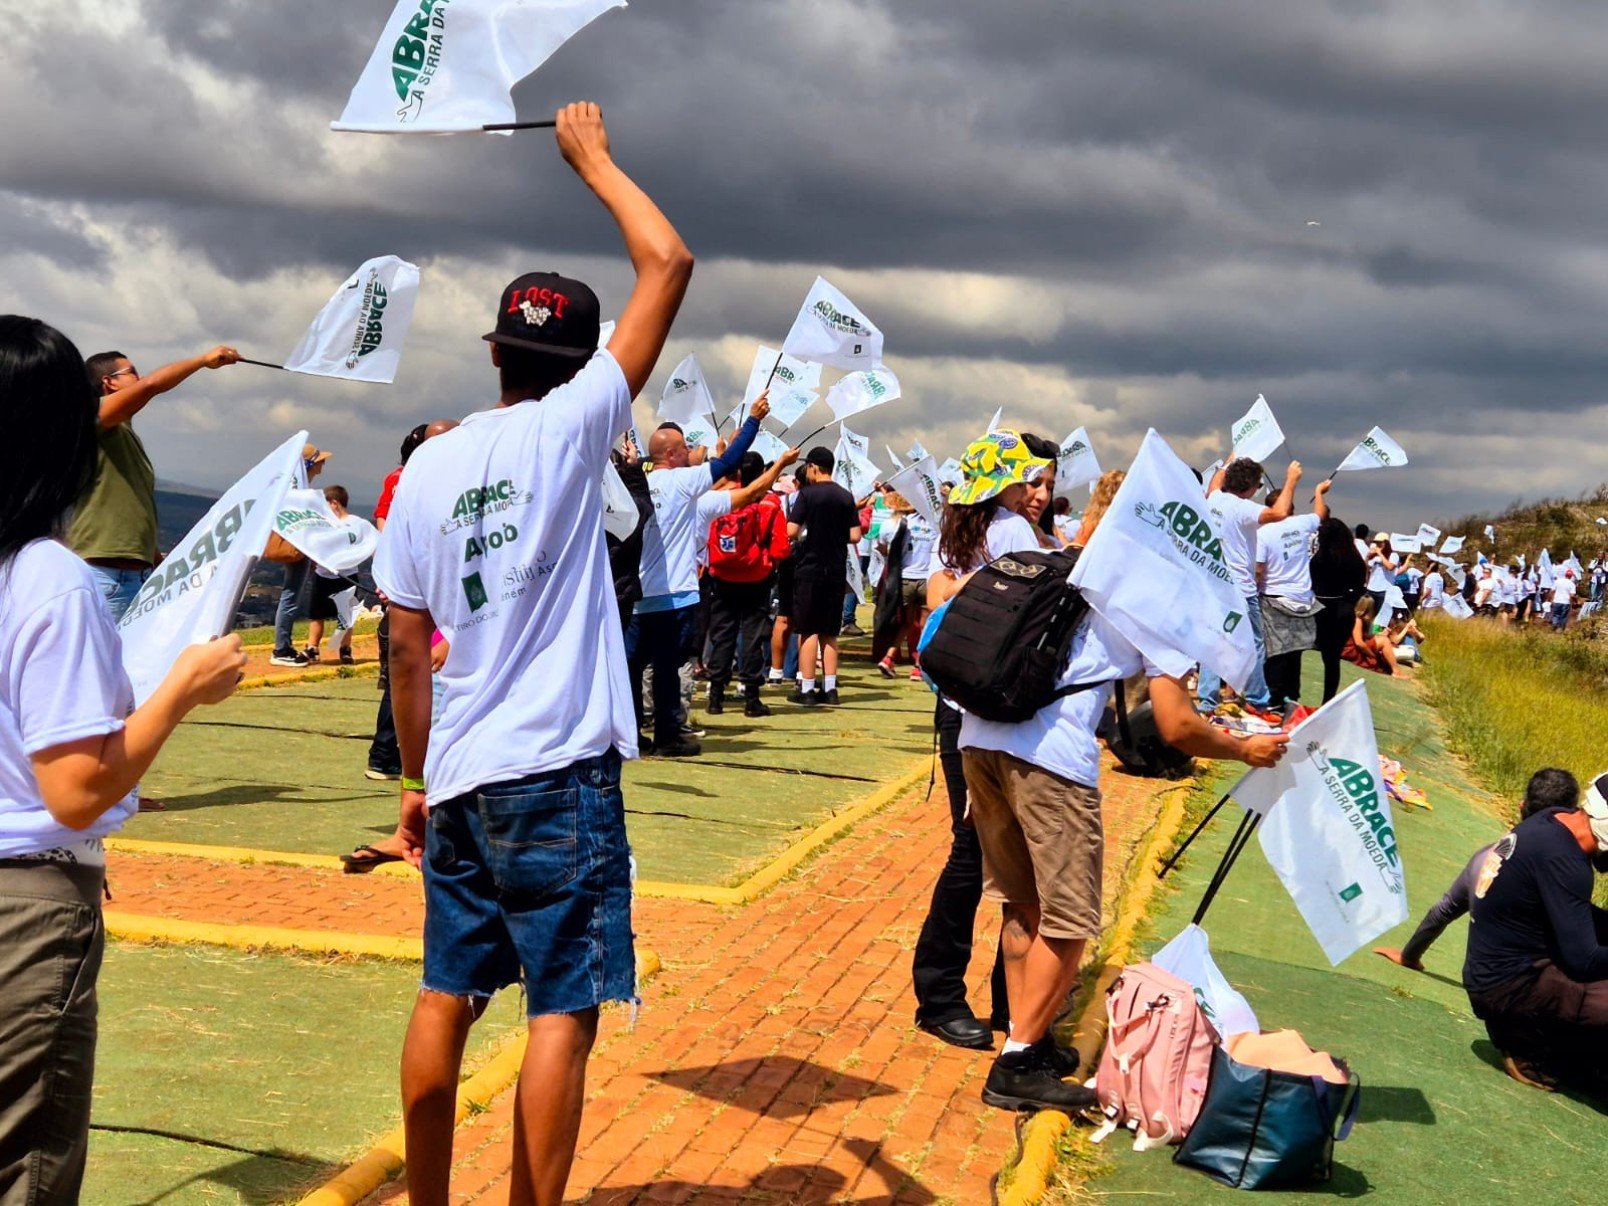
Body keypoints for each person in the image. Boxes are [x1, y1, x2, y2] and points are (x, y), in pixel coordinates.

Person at [371, 102, 693, 1205]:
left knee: (444, 992)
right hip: (555, 768)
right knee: (564, 1006)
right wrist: (595, 158)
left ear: (497, 350)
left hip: (459, 767)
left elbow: (407, 648)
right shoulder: (571, 426)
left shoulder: (429, 467)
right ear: (576, 364)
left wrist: (415, 780)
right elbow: (669, 259)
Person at [958, 452, 1290, 1110]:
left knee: (1022, 905)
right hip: (1050, 758)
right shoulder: (1150, 594)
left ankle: (1029, 1038)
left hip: (980, 738)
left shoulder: (1056, 560)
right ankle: (1018, 1062)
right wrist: (1243, 749)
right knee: (1072, 917)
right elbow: (1176, 727)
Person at [0, 315, 245, 1204]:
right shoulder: (49, 579)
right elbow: (74, 790)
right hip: (26, 905)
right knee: (25, 1163)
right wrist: (180, 690)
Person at [910, 431, 1051, 1052]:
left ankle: (980, 996)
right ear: (1006, 484)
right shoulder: (1012, 532)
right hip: (995, 717)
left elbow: (937, 597)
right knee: (991, 862)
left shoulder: (961, 529)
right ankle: (952, 997)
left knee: (986, 860)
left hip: (957, 710)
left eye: (1044, 483)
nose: (1037, 494)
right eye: (1030, 482)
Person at [627, 400, 766, 755]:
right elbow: (728, 463)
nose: (690, 450)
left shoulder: (638, 485)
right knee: (668, 670)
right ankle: (668, 738)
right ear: (672, 454)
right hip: (675, 595)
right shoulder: (682, 482)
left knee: (632, 668)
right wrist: (753, 421)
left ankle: (630, 735)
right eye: (685, 446)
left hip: (639, 596)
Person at [69, 344, 241, 619]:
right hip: (107, 576)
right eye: (131, 372)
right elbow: (151, 385)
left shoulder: (124, 435)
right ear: (109, 382)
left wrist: (159, 563)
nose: (139, 377)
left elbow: (130, 506)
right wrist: (202, 360)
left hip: (134, 574)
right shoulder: (94, 416)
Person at [1462, 769, 1608, 1092]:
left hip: (1491, 970)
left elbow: (1569, 912)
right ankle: (1529, 1049)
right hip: (1506, 988)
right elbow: (1583, 960)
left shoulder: (1553, 821)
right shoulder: (1567, 862)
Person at [1376, 769, 1578, 972]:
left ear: (1522, 806)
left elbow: (1440, 912)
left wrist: (1409, 956)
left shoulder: (1485, 859)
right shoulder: (1561, 871)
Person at [366, 421, 458, 788]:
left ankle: (418, 769)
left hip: (442, 609)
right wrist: (392, 577)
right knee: (405, 677)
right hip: (416, 604)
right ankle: (399, 763)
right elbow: (386, 529)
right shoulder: (404, 482)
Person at [1196, 457, 1301, 718]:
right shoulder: (1243, 509)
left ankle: (1207, 702)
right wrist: (1291, 480)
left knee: (1214, 642)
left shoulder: (1215, 499)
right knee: (1253, 645)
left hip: (1215, 584)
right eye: (1259, 485)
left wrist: (1231, 457)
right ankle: (1258, 700)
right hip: (1240, 590)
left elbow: (1216, 480)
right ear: (1250, 487)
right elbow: (1279, 513)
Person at [703, 447, 800, 717]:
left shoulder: (721, 498)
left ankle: (715, 695)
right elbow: (781, 548)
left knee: (723, 636)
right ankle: (751, 697)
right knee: (753, 637)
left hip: (722, 576)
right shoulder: (769, 504)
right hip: (757, 577)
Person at [787, 448, 863, 706]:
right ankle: (830, 688)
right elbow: (855, 536)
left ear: (813, 467)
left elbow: (791, 530)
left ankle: (807, 688)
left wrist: (809, 533)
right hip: (836, 568)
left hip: (810, 567)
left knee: (808, 629)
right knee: (829, 632)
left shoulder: (806, 494)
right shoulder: (845, 496)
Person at [1256, 480, 1331, 710]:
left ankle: (1274, 700)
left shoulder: (1264, 533)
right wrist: (1318, 492)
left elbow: (1258, 569)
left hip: (1274, 598)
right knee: (1295, 653)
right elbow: (1320, 513)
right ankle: (1292, 697)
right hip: (1302, 599)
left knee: (1275, 652)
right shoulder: (1301, 524)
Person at [269, 443, 333, 666]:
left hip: (298, 545)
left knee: (291, 595)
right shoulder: (299, 490)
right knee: (291, 596)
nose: (322, 465)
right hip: (298, 546)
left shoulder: (294, 486)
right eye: (319, 461)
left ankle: (283, 645)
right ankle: (281, 648)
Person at [304, 485, 377, 665]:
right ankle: (312, 649)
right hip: (323, 574)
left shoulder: (359, 524)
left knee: (345, 616)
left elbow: (373, 541)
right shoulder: (322, 523)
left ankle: (345, 649)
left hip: (348, 575)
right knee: (316, 614)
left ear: (335, 503)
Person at [872, 494, 932, 679]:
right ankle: (917, 665)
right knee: (924, 625)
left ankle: (889, 657)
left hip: (904, 578)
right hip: (927, 578)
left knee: (905, 623)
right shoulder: (934, 524)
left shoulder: (899, 523)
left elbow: (883, 546)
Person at [1309, 518, 1367, 703]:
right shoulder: (1354, 559)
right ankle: (1328, 701)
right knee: (1332, 660)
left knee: (1297, 652)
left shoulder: (1320, 558)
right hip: (1343, 611)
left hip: (1320, 610)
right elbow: (1359, 586)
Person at [1341, 596, 1399, 675]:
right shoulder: (1357, 620)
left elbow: (1369, 633)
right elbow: (1359, 643)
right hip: (1349, 651)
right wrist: (1371, 655)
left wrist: (1380, 634)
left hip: (1347, 648)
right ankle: (1396, 672)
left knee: (1382, 639)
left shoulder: (1358, 618)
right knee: (1384, 641)